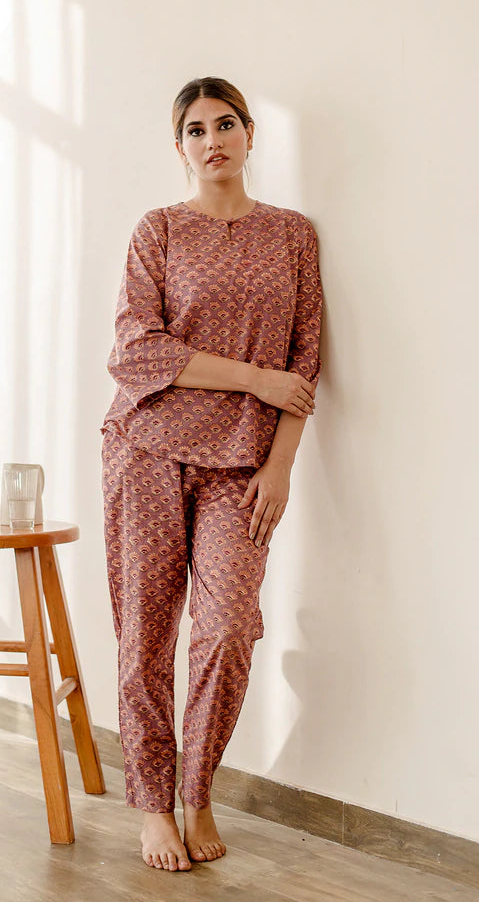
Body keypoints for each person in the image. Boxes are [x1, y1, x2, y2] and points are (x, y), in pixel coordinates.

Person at [100, 76, 323, 872]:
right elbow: (135, 350)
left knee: (226, 629)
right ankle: (152, 808)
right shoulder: (158, 229)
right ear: (180, 148)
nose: (212, 140)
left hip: (241, 466)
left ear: (250, 134)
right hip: (147, 451)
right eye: (195, 130)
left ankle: (196, 790)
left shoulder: (291, 236)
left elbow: (303, 361)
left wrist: (280, 466)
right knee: (146, 635)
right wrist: (254, 379)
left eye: (224, 124)